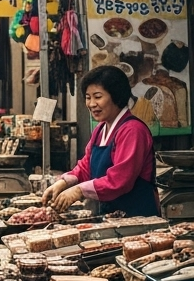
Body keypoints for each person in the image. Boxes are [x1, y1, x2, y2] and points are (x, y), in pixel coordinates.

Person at [41, 64, 158, 217]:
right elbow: (86, 166)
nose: (91, 104)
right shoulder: (100, 129)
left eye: (98, 97)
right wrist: (63, 183)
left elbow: (120, 180)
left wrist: (78, 190)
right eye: (88, 98)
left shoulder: (132, 130)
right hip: (112, 216)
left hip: (138, 217)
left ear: (116, 95)